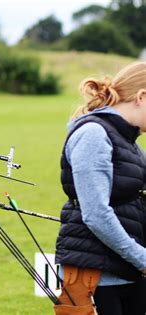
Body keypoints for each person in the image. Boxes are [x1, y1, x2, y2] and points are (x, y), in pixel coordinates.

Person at [55, 62, 146, 315]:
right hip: (97, 276)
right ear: (141, 96)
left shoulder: (130, 142)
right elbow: (96, 214)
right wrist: (142, 259)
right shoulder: (94, 134)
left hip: (126, 270)